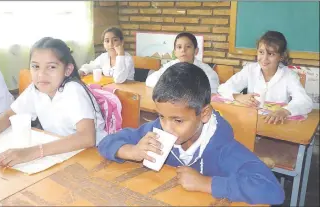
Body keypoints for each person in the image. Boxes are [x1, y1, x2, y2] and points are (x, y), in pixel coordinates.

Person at [98, 62, 284, 205]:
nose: (167, 127)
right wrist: (130, 151)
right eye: (162, 116)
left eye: (178, 120)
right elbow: (106, 142)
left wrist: (206, 184)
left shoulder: (223, 150)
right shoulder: (157, 130)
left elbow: (272, 190)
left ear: (204, 114)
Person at [0, 37, 107, 167]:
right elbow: (9, 115)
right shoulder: (35, 90)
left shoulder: (73, 90)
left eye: (51, 67)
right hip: (60, 153)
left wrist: (31, 152)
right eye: (35, 66)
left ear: (68, 70)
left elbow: (87, 137)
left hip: (93, 154)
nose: (41, 74)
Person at [218, 31, 312, 124]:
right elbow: (223, 88)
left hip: (276, 125)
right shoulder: (250, 70)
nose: (264, 58)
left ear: (281, 56)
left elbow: (304, 101)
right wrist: (238, 96)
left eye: (271, 54)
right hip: (251, 123)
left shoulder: (289, 76)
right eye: (261, 52)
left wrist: (284, 111)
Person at [145, 32, 219, 94]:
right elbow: (150, 81)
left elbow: (212, 93)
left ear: (196, 51)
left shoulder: (206, 71)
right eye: (179, 47)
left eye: (188, 47)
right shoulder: (170, 65)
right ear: (175, 52)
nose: (183, 50)